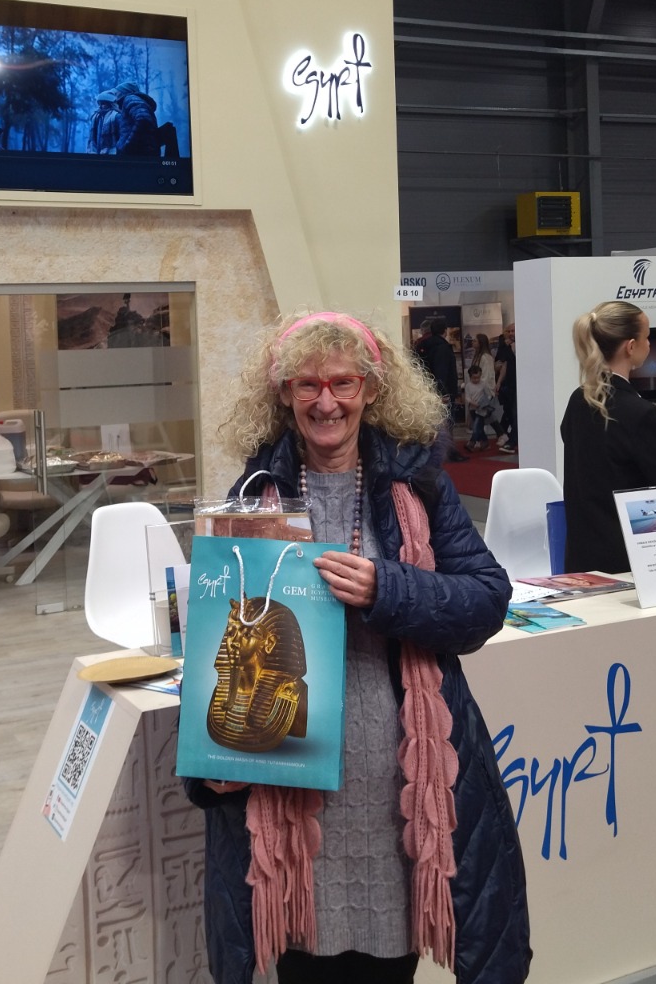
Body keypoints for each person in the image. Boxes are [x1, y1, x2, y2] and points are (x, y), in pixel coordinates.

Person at [187, 311, 531, 984]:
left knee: (389, 967)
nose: (327, 402)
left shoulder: (419, 488)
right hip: (293, 793)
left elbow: (487, 601)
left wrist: (388, 587)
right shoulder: (253, 500)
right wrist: (210, 761)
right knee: (303, 965)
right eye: (307, 384)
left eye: (343, 382)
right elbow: (221, 651)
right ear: (283, 394)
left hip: (396, 794)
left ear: (372, 389)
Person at [560, 301, 656, 574]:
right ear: (631, 346)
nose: (649, 344)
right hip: (630, 565)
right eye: (647, 337)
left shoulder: (577, 401)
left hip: (581, 561)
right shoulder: (641, 414)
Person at [414, 316, 465, 462]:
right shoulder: (442, 348)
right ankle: (449, 452)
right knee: (448, 422)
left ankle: (435, 452)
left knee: (434, 423)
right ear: (445, 331)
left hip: (428, 390)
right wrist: (443, 392)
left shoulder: (423, 346)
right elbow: (441, 372)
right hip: (443, 392)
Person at [463, 363, 502, 451]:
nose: (476, 380)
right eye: (474, 378)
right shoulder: (468, 386)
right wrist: (473, 403)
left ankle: (472, 442)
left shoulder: (483, 384)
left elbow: (488, 394)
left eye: (478, 377)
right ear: (470, 377)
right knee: (479, 427)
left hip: (481, 409)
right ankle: (484, 442)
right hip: (473, 409)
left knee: (477, 426)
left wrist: (486, 401)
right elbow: (467, 397)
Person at [495, 324, 517, 452]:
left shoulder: (518, 346)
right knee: (511, 413)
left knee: (515, 414)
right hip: (509, 385)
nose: (511, 333)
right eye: (509, 331)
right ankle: (511, 439)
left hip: (518, 385)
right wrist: (499, 382)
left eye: (513, 331)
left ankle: (512, 441)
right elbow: (505, 365)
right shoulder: (506, 347)